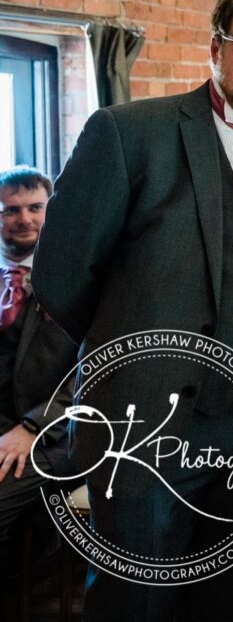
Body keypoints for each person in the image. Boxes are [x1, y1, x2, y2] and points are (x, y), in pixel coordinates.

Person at [34, 0, 233, 619]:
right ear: (216, 47)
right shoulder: (128, 133)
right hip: (142, 430)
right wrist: (132, 364)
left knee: (230, 602)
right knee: (134, 603)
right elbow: (62, 276)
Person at [0, 168, 78, 573]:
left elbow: (92, 369)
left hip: (58, 433)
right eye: (10, 210)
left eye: (35, 208)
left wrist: (32, 427)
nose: (24, 219)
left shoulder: (75, 277)